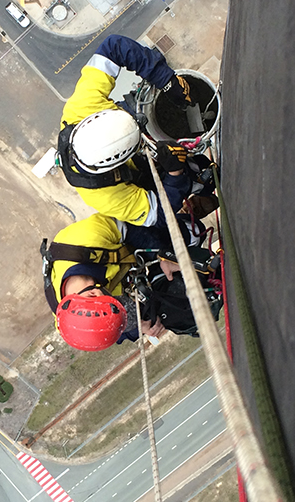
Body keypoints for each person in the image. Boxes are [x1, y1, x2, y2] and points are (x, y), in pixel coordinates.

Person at [56, 34, 216, 233]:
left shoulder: (82, 109)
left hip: (129, 115)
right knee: (189, 175)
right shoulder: (104, 195)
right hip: (143, 172)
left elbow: (113, 47)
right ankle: (203, 184)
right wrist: (175, 174)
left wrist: (165, 80)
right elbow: (157, 214)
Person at [41, 213, 221, 351]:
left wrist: (162, 256)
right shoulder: (71, 323)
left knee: (192, 232)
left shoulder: (87, 238)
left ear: (94, 293)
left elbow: (129, 227)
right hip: (123, 273)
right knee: (174, 310)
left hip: (126, 237)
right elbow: (109, 331)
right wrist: (140, 328)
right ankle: (215, 291)